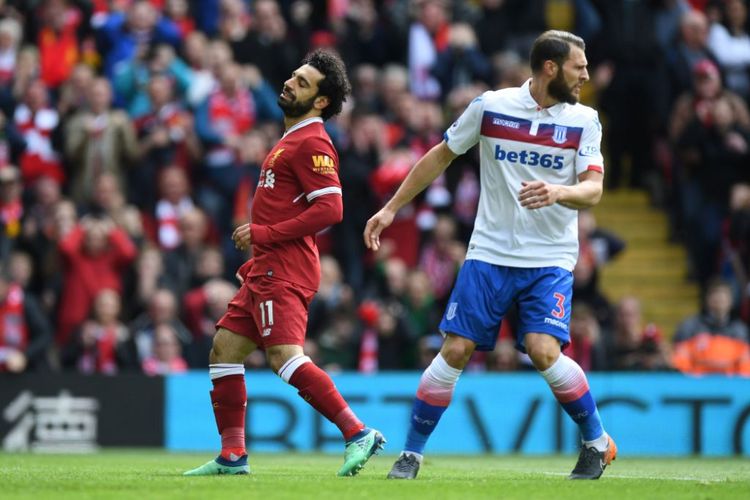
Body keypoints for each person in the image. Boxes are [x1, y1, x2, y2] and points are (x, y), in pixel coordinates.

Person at [364, 30, 616, 480]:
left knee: (542, 350)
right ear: (550, 68)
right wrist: (390, 209)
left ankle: (596, 442)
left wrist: (559, 191)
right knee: (456, 349)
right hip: (489, 253)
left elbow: (594, 188)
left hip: (550, 257)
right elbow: (440, 156)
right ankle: (411, 454)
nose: (586, 75)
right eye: (579, 67)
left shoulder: (585, 120)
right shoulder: (491, 106)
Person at [184, 49, 384, 477]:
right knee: (224, 350)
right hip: (265, 268)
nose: (291, 82)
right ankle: (233, 456)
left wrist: (264, 234)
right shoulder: (290, 138)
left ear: (321, 102)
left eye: (303, 82)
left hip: (285, 268)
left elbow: (331, 209)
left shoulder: (313, 141)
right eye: (294, 75)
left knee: (284, 357)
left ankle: (357, 432)